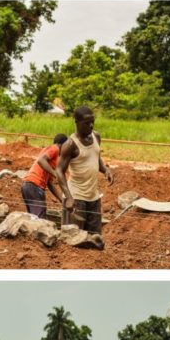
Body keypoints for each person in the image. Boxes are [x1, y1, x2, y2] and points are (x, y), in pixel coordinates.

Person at [56, 106, 114, 248]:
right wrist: (68, 197)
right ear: (77, 122)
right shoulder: (70, 145)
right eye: (86, 123)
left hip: (93, 198)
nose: (91, 125)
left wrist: (106, 169)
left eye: (92, 122)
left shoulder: (96, 136)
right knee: (74, 243)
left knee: (95, 240)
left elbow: (96, 158)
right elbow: (59, 171)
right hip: (76, 199)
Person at [21, 134, 69, 218]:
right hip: (34, 185)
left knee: (33, 218)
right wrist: (55, 173)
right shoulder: (55, 148)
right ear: (62, 144)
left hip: (28, 185)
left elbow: (49, 183)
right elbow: (41, 160)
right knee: (39, 220)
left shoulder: (50, 162)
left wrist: (61, 199)